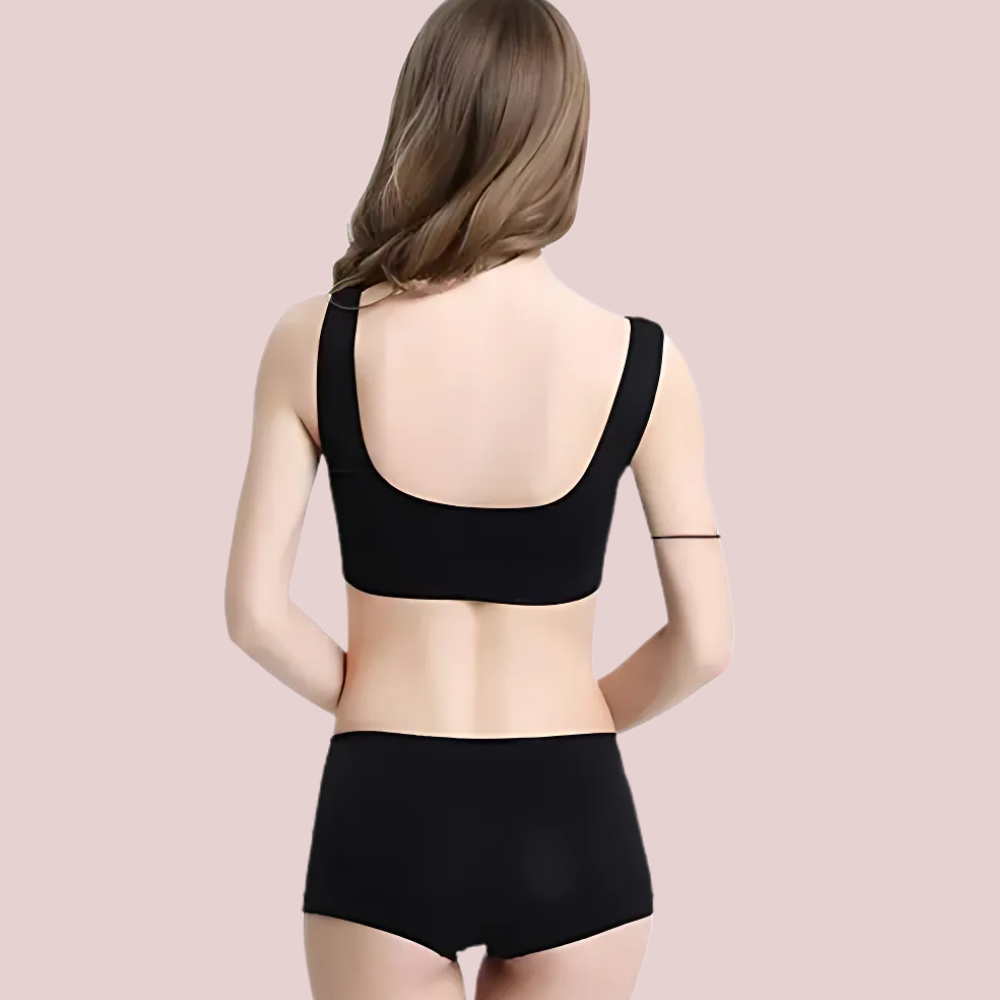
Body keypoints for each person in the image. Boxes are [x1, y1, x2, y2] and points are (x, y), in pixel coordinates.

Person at [224, 0, 734, 996]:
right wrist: (576, 720)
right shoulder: (644, 362)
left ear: (420, 118)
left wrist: (373, 699)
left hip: (386, 803)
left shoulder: (315, 340)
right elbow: (706, 643)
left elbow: (253, 613)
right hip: (570, 806)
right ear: (565, 139)